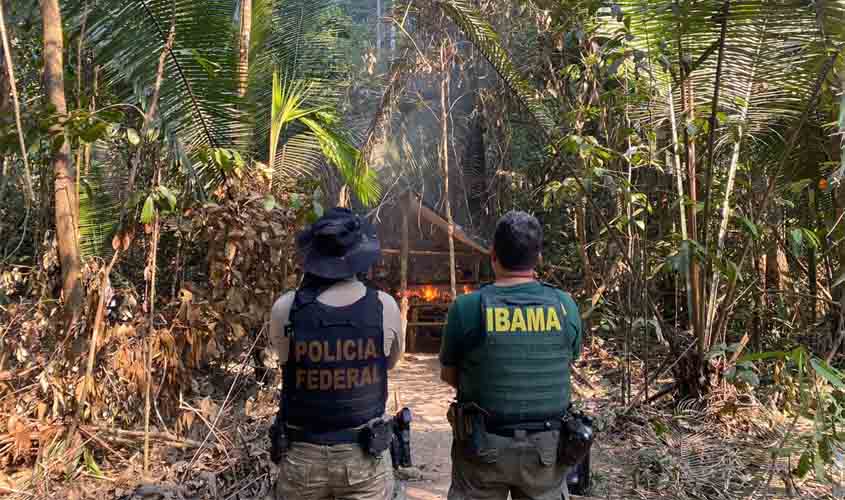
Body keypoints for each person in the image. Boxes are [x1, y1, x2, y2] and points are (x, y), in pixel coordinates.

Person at [439, 211, 583, 500]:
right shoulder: (564, 305)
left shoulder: (467, 308)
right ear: (538, 257)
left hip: (482, 445)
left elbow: (449, 375)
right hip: (546, 451)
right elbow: (567, 362)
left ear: (492, 254)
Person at [268, 207, 403, 500]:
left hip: (302, 459)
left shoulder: (285, 308)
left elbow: (285, 362)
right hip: (364, 459)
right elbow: (388, 363)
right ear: (359, 256)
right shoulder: (385, 306)